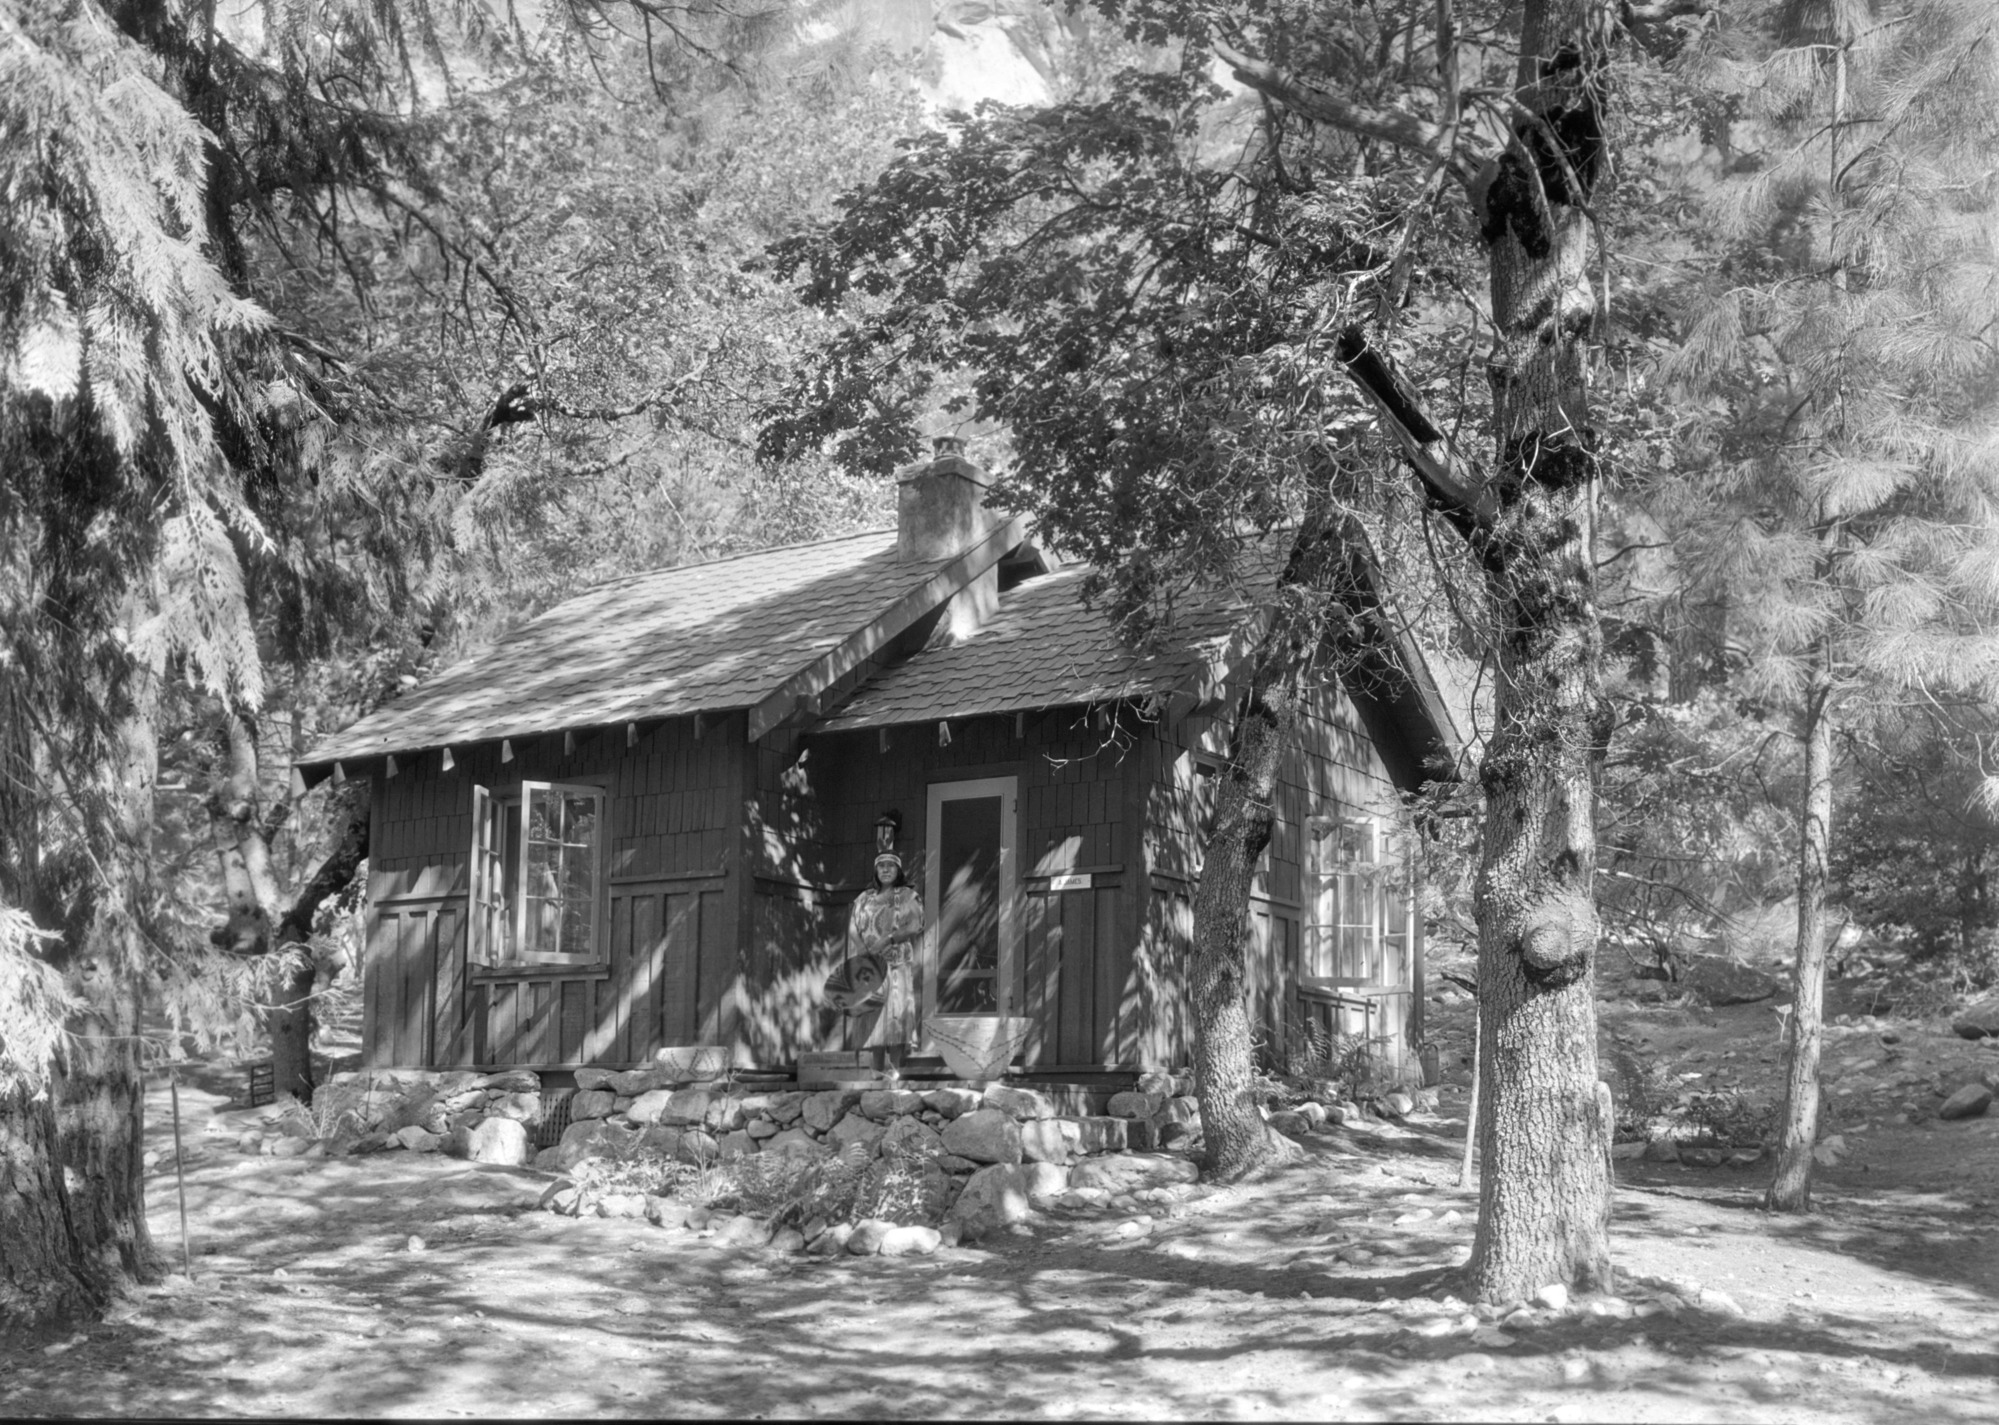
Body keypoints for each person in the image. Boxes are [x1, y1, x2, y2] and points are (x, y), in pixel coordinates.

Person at [846, 849, 924, 1079]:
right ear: (876, 870)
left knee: (896, 1013)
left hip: (896, 963)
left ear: (898, 871)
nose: (886, 869)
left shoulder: (908, 895)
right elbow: (852, 926)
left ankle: (895, 1068)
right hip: (870, 966)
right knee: (874, 1014)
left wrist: (889, 939)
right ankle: (876, 1069)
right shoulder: (864, 898)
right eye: (881, 866)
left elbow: (914, 925)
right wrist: (860, 946)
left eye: (891, 866)